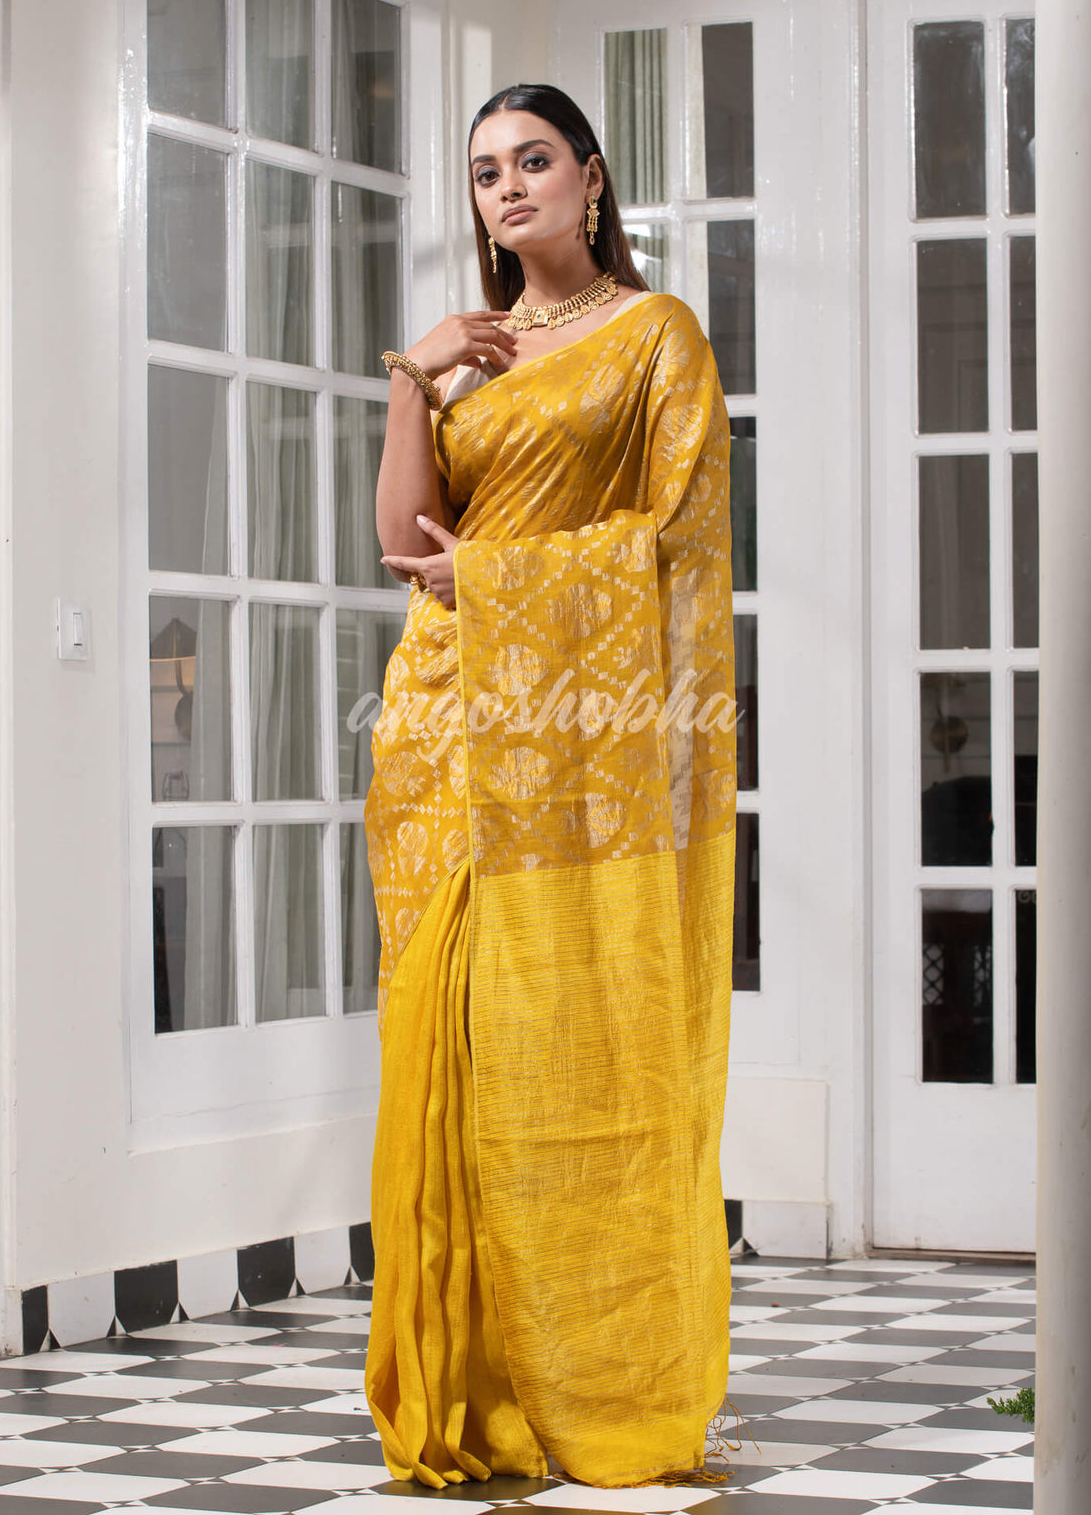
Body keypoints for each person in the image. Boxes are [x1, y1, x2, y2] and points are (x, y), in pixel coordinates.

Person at [362, 83, 738, 1491]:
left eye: (532, 161)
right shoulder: (468, 355)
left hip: (575, 737)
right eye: (483, 173)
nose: (507, 188)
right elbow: (403, 541)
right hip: (444, 724)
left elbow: (681, 539)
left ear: (591, 177)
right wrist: (414, 380)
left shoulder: (655, 336)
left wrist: (503, 579)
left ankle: (597, 1377)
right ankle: (473, 1384)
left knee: (573, 1038)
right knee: (448, 1037)